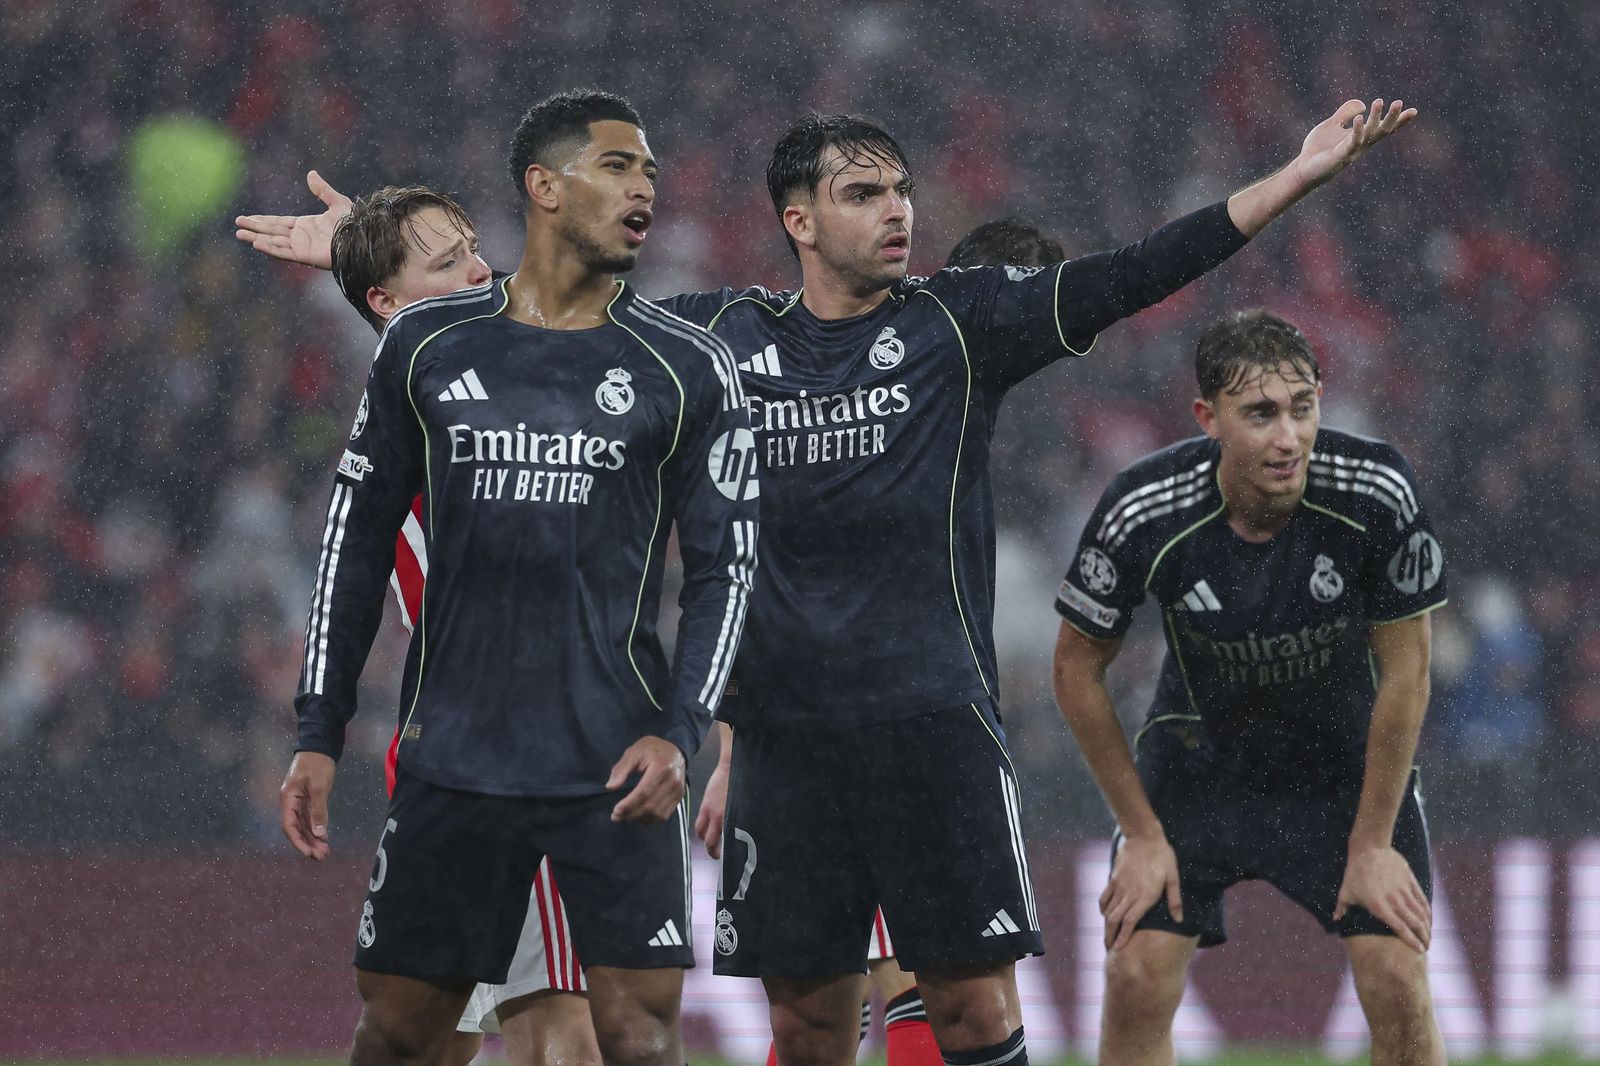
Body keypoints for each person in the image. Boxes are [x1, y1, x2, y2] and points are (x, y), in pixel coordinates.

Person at [241, 95, 1416, 1066]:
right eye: (864, 192)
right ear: (798, 218)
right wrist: (365, 263)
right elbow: (528, 312)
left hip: (931, 728)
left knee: (971, 1012)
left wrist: (1293, 177)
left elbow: (1138, 270)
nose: (897, 210)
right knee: (807, 1026)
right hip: (785, 743)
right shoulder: (715, 340)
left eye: (902, 189)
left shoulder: (961, 325)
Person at [277, 90, 758, 1066]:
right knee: (433, 1032)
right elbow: (356, 536)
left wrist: (688, 727)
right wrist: (317, 725)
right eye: (616, 168)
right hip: (457, 747)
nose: (643, 191)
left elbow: (725, 568)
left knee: (581, 1032)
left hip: (597, 746)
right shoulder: (425, 357)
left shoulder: (669, 359)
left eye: (649, 173)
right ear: (544, 188)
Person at [1050, 311, 1447, 1066]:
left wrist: (1371, 845)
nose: (1288, 437)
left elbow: (1408, 671)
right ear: (1209, 419)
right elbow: (1075, 669)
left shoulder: (1375, 489)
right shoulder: (1144, 508)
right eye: (1260, 414)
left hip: (1343, 775)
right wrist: (1139, 834)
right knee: (1134, 976)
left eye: (1302, 408)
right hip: (1198, 769)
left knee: (1397, 981)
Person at [322, 183, 600, 1066]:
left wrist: (362, 249)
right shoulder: (459, 406)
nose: (486, 273)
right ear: (389, 304)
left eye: (477, 250)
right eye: (453, 264)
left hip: (448, 749)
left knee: (430, 1039)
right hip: (522, 739)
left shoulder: (415, 394)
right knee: (561, 1033)